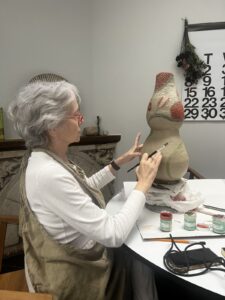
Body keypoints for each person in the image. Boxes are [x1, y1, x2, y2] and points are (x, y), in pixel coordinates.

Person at [8, 80, 162, 300]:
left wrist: (118, 162)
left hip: (69, 256)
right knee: (138, 254)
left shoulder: (44, 158)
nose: (82, 120)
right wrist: (143, 184)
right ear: (52, 125)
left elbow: (81, 188)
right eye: (76, 115)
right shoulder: (49, 174)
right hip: (75, 273)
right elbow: (113, 234)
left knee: (136, 250)